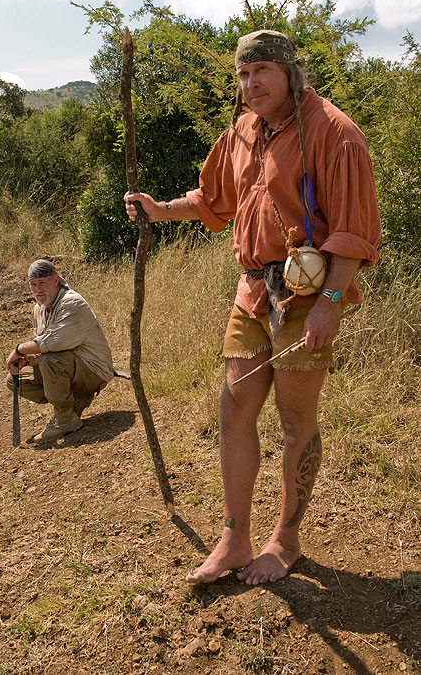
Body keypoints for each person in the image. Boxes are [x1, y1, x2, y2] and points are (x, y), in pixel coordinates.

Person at [124, 30, 381, 586]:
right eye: (243, 74)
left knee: (295, 421)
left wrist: (330, 302)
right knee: (233, 409)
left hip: (306, 296)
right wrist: (159, 208)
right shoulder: (242, 132)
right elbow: (212, 199)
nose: (251, 83)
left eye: (262, 70)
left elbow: (354, 231)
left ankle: (285, 542)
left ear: (292, 72)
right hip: (252, 291)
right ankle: (235, 539)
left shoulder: (335, 134)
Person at [6, 259, 115, 444]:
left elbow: (54, 343)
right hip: (70, 366)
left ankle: (65, 421)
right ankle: (74, 402)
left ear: (56, 280)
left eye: (42, 283)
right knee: (15, 381)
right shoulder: (39, 309)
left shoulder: (72, 303)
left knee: (51, 361)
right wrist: (26, 360)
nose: (38, 290)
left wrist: (19, 349)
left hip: (94, 371)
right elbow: (44, 351)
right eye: (33, 284)